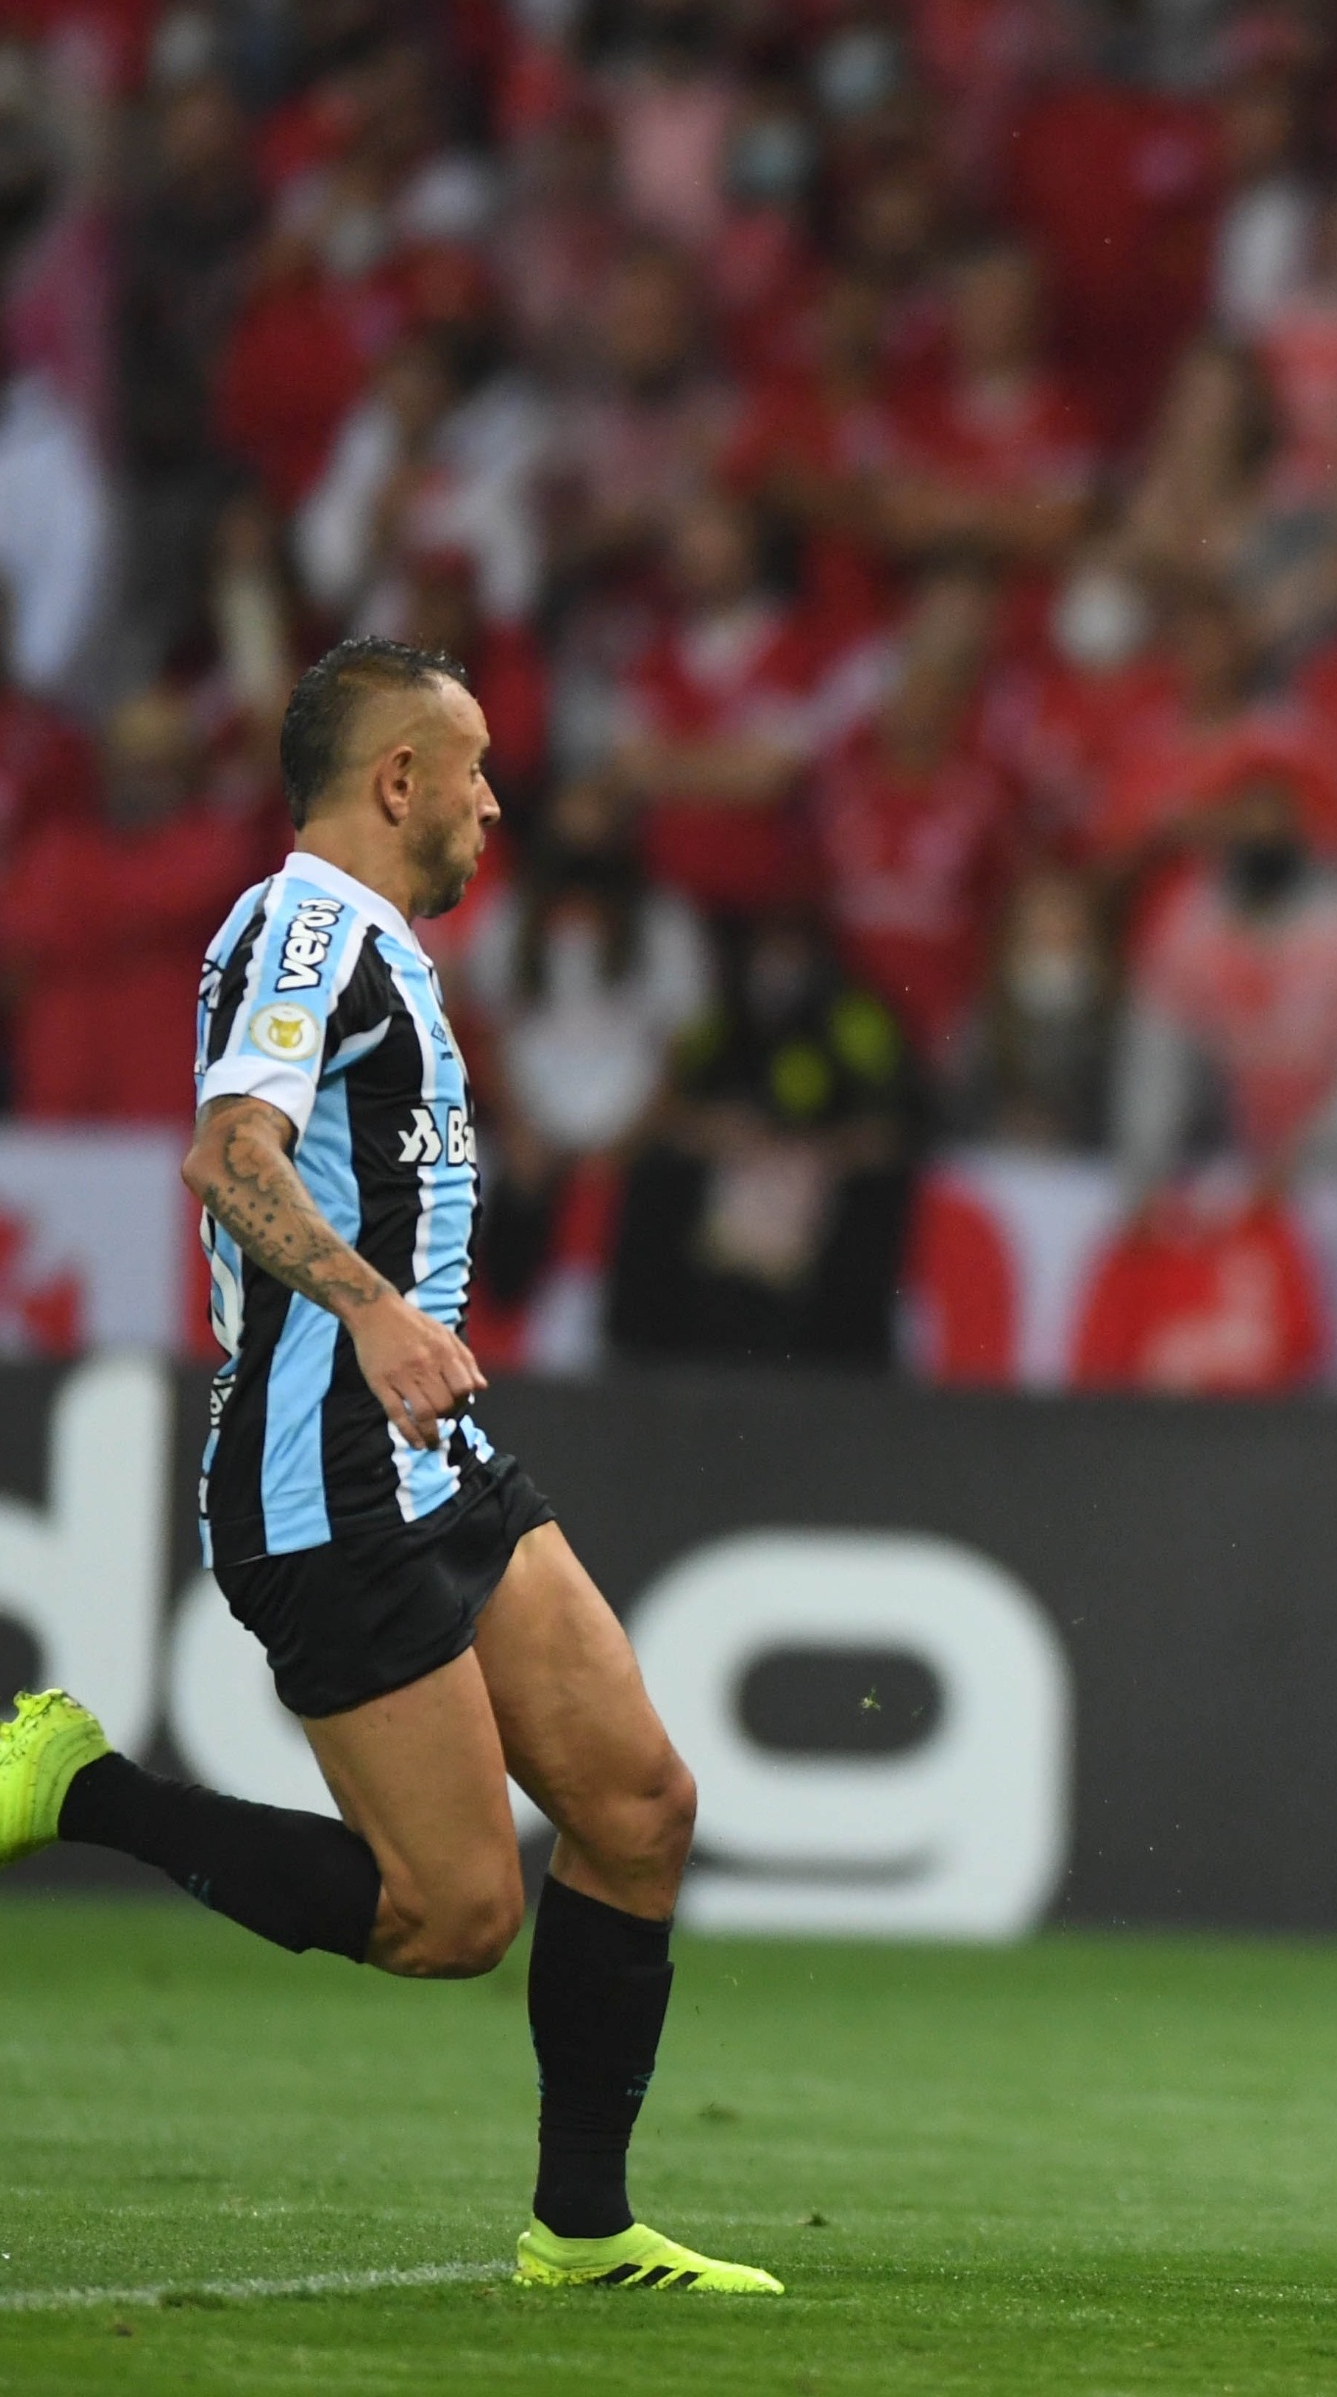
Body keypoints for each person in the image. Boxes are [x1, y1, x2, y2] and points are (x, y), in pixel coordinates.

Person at [0, 637, 780, 2297]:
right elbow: (229, 1153)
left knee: (639, 1808)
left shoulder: (379, 949)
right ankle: (82, 1786)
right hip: (323, 1477)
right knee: (452, 1917)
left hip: (438, 1455)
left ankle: (581, 2233)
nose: (497, 801)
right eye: (474, 766)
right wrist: (365, 1307)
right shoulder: (302, 927)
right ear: (397, 778)